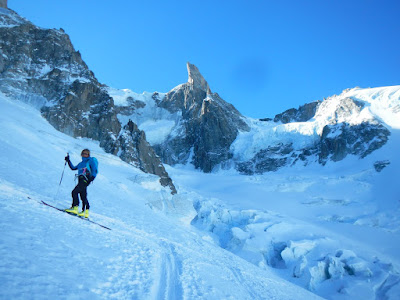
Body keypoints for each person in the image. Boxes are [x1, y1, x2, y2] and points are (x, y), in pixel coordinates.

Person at [64, 149, 98, 218]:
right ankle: (85, 212)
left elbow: (94, 171)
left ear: (88, 155)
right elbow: (73, 168)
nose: (84, 155)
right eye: (83, 153)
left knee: (74, 192)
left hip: (85, 179)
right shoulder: (81, 163)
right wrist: (68, 161)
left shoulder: (90, 161)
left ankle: (75, 207)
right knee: (83, 195)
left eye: (85, 153)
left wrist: (90, 179)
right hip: (81, 179)